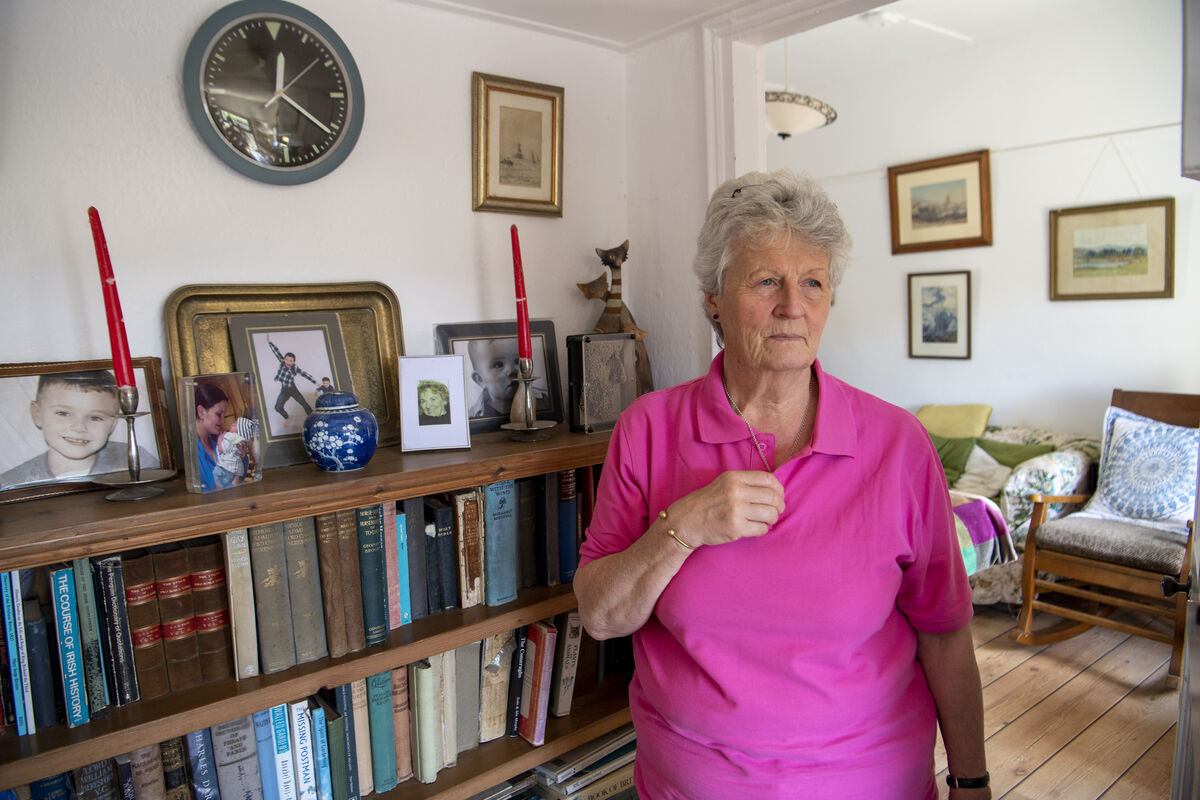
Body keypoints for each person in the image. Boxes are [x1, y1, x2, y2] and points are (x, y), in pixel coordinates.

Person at [573, 170, 990, 800]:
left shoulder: (898, 445)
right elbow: (601, 617)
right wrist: (683, 528)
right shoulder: (648, 430)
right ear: (713, 298)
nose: (793, 305)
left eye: (813, 282)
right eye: (767, 280)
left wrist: (971, 780)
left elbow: (944, 629)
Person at [1, 370, 157, 488]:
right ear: (37, 414)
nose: (79, 428)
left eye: (95, 417)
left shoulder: (140, 461)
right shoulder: (11, 482)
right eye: (63, 413)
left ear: (113, 424)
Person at [465, 337, 545, 418]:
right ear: (480, 380)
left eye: (517, 361)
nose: (511, 371)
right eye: (498, 365)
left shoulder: (545, 401)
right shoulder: (471, 417)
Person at [193, 382, 232, 493]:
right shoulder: (191, 450)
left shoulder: (219, 443)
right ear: (201, 412)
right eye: (219, 414)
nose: (223, 420)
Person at [266, 336, 317, 419]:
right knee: (277, 407)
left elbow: (305, 374)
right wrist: (269, 342)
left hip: (292, 389)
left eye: (291, 361)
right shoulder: (282, 362)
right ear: (284, 359)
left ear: (293, 362)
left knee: (304, 403)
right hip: (284, 390)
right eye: (287, 360)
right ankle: (287, 417)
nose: (288, 362)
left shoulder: (294, 368)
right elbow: (276, 351)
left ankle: (313, 418)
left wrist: (315, 382)